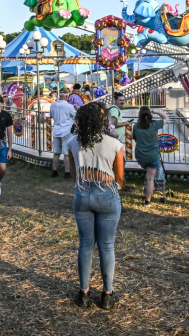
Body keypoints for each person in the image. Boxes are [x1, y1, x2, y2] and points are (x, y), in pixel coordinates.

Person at [67, 103, 125, 310]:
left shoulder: (73, 142)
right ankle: (107, 294)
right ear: (101, 121)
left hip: (82, 193)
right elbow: (120, 178)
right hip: (107, 193)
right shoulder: (114, 144)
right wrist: (114, 189)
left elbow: (73, 174)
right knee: (106, 246)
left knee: (85, 244)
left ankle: (83, 293)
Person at [132, 107, 170, 206]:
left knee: (148, 175)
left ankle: (147, 190)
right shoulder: (154, 125)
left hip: (140, 156)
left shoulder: (136, 127)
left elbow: (135, 139)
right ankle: (147, 201)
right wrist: (157, 111)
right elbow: (166, 119)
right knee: (150, 179)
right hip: (153, 155)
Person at [49, 89, 77, 178]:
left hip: (56, 130)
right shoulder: (69, 106)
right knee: (66, 153)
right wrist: (76, 108)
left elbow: (51, 115)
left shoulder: (53, 105)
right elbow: (76, 115)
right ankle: (67, 172)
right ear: (67, 96)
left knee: (56, 152)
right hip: (67, 131)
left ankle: (54, 171)